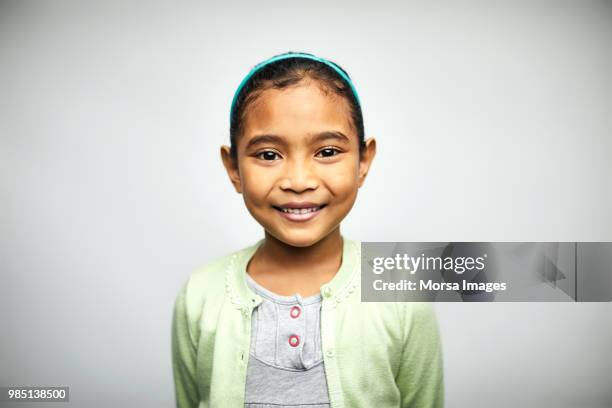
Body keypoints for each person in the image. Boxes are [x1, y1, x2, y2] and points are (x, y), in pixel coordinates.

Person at [171, 51, 444, 408]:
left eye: (327, 151)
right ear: (233, 167)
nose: (298, 181)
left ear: (363, 162)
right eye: (269, 155)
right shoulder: (201, 294)